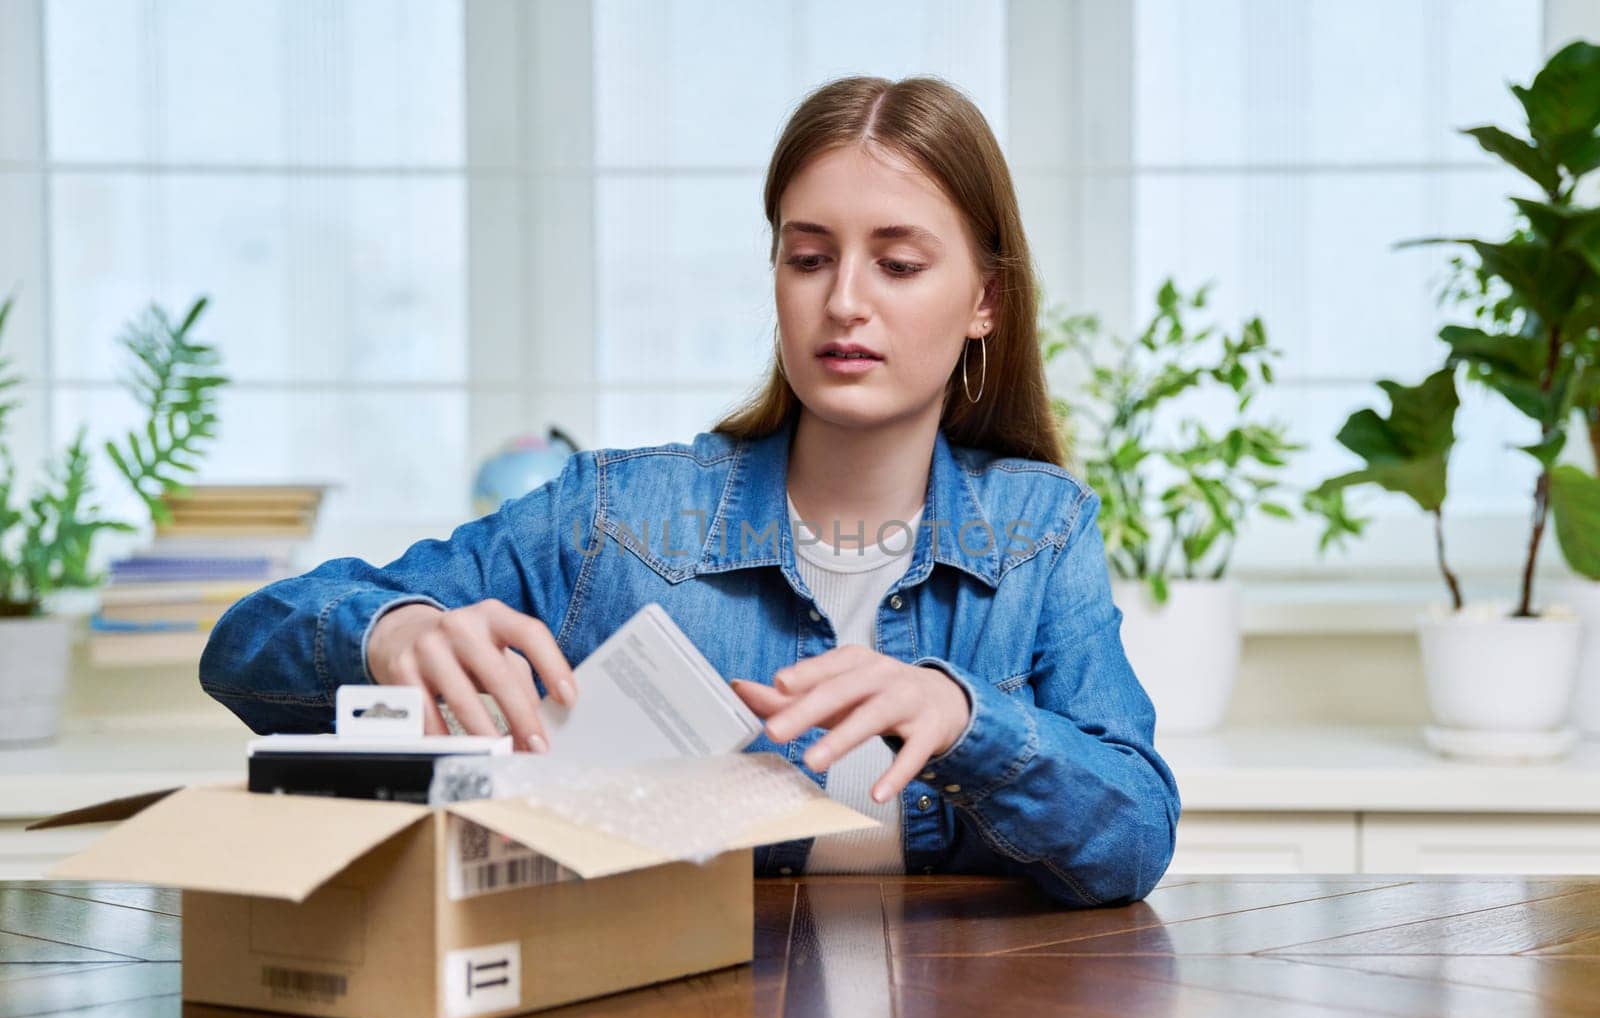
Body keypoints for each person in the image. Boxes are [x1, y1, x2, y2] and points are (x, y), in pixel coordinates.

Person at [200, 75, 1180, 908]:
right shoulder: (615, 522)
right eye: (807, 257)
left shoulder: (1038, 534)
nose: (844, 299)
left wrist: (964, 717)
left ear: (984, 301)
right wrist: (392, 632)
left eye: (897, 262)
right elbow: (244, 646)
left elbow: (1135, 836)